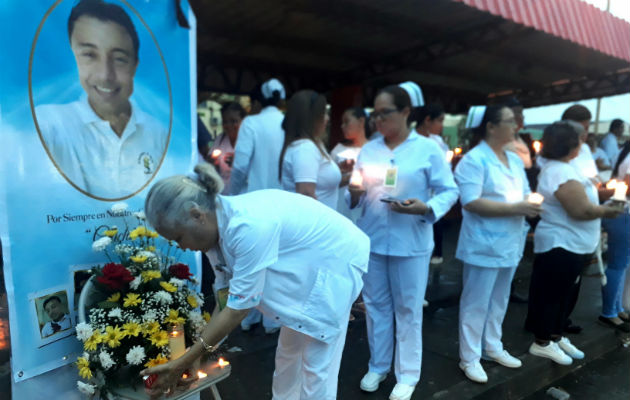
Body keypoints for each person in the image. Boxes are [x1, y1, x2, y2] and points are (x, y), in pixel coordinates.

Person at [140, 163, 370, 399]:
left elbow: (238, 309)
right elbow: (225, 300)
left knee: (316, 368)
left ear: (197, 214)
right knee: (287, 358)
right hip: (312, 264)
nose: (182, 246)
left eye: (178, 237)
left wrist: (184, 361)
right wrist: (195, 356)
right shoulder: (215, 234)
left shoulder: (248, 226)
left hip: (335, 264)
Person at [348, 85, 458, 400]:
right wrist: (354, 192)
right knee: (376, 306)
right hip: (374, 239)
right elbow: (356, 196)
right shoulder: (369, 150)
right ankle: (378, 365)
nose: (378, 119)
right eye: (375, 113)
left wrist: (426, 208)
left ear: (406, 112)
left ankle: (407, 373)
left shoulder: (427, 149)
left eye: (386, 113)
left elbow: (449, 190)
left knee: (408, 308)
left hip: (411, 240)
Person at [35, 0, 168, 198]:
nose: (105, 75)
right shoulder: (47, 124)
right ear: (74, 57)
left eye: (119, 59)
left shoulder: (158, 133)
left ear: (135, 65)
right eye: (89, 54)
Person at [455, 105, 540, 383]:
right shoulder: (474, 160)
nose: (515, 126)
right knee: (476, 302)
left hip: (510, 240)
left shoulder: (514, 160)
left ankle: (492, 346)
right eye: (509, 121)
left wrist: (531, 205)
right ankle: (469, 357)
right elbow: (471, 201)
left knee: (500, 298)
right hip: (483, 243)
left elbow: (526, 194)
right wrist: (517, 208)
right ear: (491, 126)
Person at [525, 121, 621, 365]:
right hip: (561, 243)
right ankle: (542, 341)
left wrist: (608, 197)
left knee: (565, 294)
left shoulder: (568, 168)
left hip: (574, 244)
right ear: (570, 145)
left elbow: (587, 198)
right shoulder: (558, 171)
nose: (583, 142)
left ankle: (556, 336)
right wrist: (607, 212)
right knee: (553, 294)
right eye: (579, 139)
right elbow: (580, 210)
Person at [280, 90, 341, 210]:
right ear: (311, 118)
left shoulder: (312, 144)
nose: (327, 118)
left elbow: (320, 185)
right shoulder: (305, 148)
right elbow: (306, 195)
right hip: (317, 226)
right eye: (323, 113)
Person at [229, 78, 286, 195]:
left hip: (255, 197)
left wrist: (232, 193)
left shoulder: (250, 123)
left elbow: (240, 167)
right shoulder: (289, 122)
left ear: (256, 102)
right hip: (285, 198)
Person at [599, 141, 630, 332]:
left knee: (622, 263)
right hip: (623, 213)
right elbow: (626, 187)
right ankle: (609, 312)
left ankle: (617, 308)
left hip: (623, 212)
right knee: (617, 264)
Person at [415, 103, 449, 265]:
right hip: (418, 190)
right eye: (439, 121)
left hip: (434, 190)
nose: (442, 126)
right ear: (428, 120)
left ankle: (437, 252)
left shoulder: (438, 141)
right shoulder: (413, 140)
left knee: (436, 220)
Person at [208, 102, 246, 193]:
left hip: (243, 194)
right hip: (223, 194)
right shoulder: (220, 139)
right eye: (225, 122)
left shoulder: (248, 141)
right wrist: (213, 162)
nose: (228, 125)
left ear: (243, 121)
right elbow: (209, 161)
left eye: (234, 121)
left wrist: (238, 162)